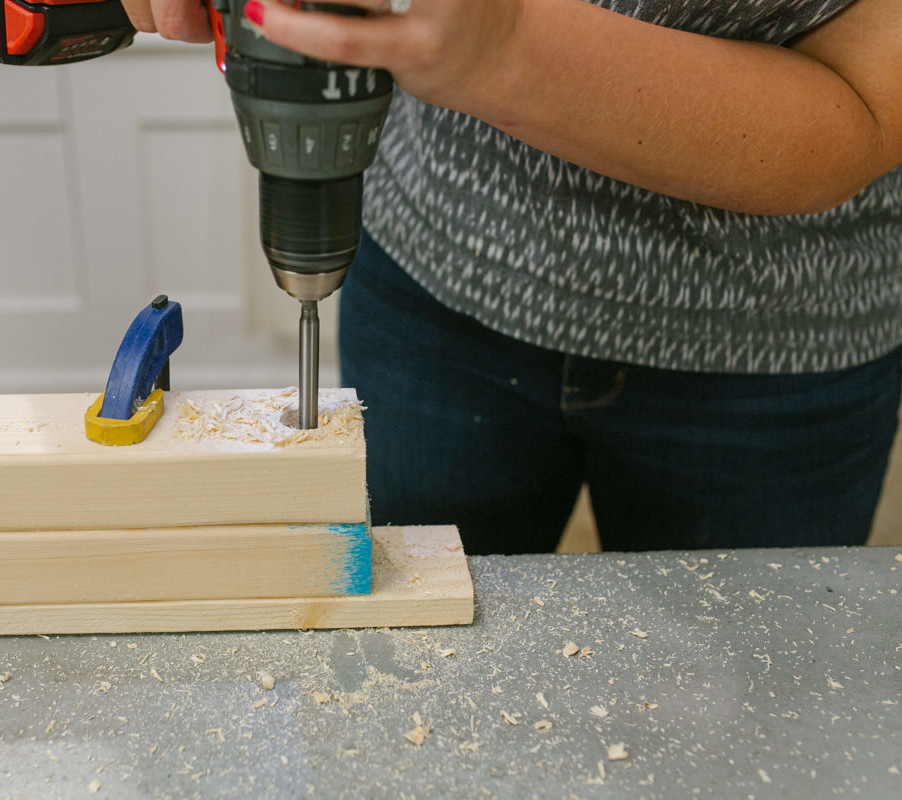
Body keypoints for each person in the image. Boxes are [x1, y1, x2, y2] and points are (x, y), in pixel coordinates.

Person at [122, 0, 902, 554]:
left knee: (732, 733)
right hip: (434, 286)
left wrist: (506, 48)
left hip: (778, 349)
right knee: (413, 674)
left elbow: (869, 102)